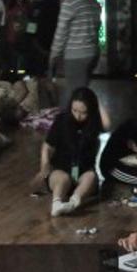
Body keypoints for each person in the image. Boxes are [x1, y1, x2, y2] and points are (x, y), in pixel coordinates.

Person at [30, 87, 102, 216]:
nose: (78, 116)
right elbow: (47, 146)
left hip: (83, 172)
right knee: (63, 178)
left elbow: (107, 123)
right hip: (61, 170)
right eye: (74, 111)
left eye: (83, 113)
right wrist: (44, 165)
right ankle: (57, 204)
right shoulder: (61, 120)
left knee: (90, 177)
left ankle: (73, 203)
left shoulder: (94, 124)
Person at [49, 0, 101, 102]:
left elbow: (61, 32)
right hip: (93, 53)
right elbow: (97, 27)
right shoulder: (94, 2)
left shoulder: (70, 4)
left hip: (76, 55)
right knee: (82, 89)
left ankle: (73, 115)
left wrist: (54, 54)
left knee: (74, 94)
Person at [24, 0, 60, 79]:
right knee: (35, 75)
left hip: (45, 44)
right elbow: (31, 25)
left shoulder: (50, 4)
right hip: (36, 45)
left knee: (44, 75)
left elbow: (51, 26)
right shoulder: (35, 5)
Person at [4, 0, 30, 73]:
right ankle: (13, 75)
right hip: (11, 37)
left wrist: (31, 34)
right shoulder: (10, 6)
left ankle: (21, 76)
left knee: (22, 61)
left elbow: (32, 22)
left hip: (24, 37)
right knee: (13, 60)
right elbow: (5, 21)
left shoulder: (28, 6)